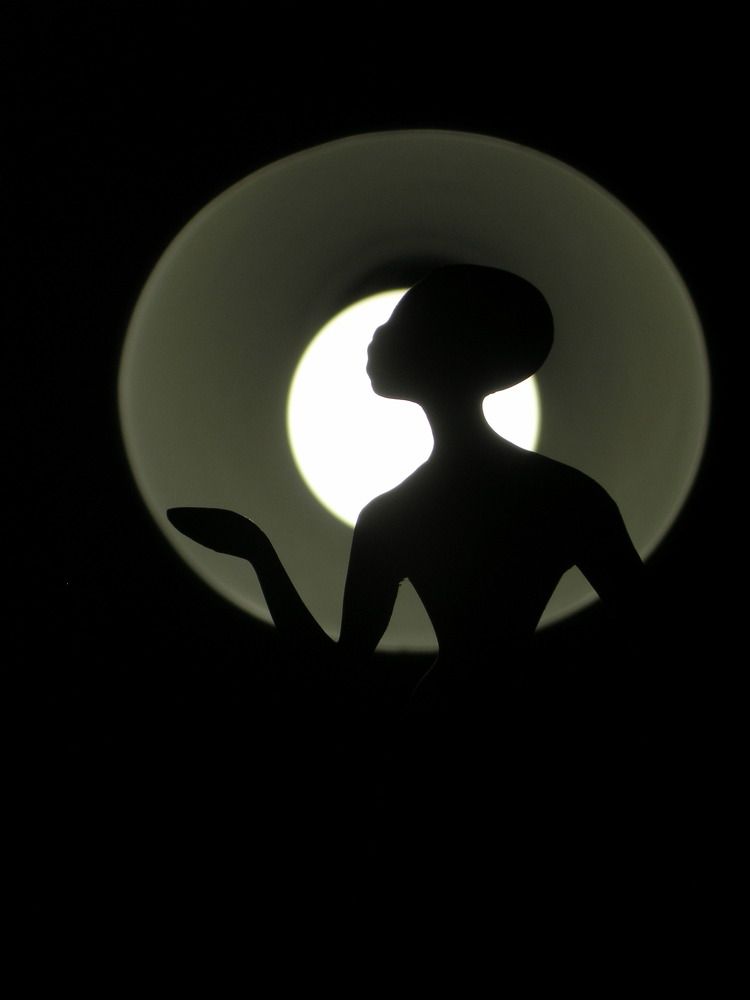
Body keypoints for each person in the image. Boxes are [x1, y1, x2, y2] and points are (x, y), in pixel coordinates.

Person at [167, 265, 644, 715]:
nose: (377, 335)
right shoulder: (567, 494)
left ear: (450, 349)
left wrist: (257, 553)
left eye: (399, 323)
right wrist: (257, 551)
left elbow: (339, 667)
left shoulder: (396, 515)